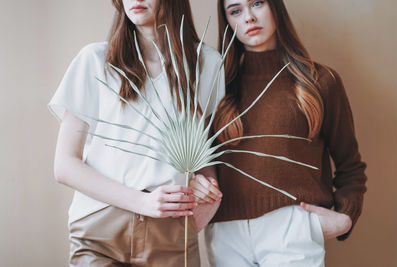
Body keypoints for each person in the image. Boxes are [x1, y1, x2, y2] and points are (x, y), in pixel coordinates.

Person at [189, 0, 367, 266]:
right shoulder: (214, 88)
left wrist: (346, 217)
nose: (248, 17)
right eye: (235, 11)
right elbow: (201, 162)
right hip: (225, 233)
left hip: (292, 227)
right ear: (228, 23)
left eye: (257, 3)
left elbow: (350, 166)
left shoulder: (320, 81)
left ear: (275, 7)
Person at [48, 0, 224, 266]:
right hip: (98, 231)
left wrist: (208, 188)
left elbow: (204, 155)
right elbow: (64, 165)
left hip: (171, 231)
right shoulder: (94, 60)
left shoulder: (207, 63)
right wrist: (142, 203)